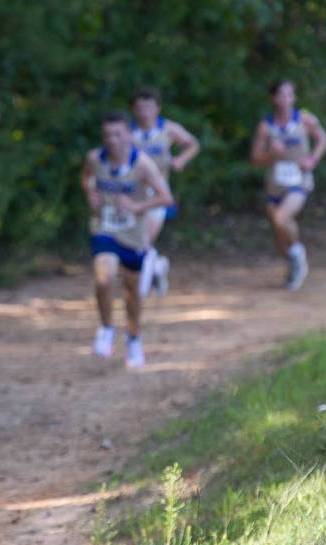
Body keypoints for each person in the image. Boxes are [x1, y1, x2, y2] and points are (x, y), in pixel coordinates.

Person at [81, 111, 173, 369]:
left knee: (132, 293)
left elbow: (166, 198)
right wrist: (90, 195)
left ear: (129, 135)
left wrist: (136, 206)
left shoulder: (142, 164)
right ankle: (106, 329)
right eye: (108, 134)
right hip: (104, 229)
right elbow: (86, 178)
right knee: (104, 276)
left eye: (118, 134)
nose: (113, 140)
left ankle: (134, 339)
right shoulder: (94, 158)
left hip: (134, 235)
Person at [250, 79, 326, 291]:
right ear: (274, 98)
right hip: (274, 185)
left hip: (299, 181)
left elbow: (323, 139)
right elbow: (255, 158)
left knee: (281, 218)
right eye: (281, 95)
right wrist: (270, 154)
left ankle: (297, 254)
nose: (285, 100)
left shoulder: (305, 120)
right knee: (279, 232)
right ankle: (294, 262)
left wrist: (312, 160)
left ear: (294, 97)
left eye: (289, 95)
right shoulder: (266, 127)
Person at [130, 87, 201, 298]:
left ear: (157, 109)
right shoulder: (127, 132)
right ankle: (157, 267)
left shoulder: (168, 129)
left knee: (145, 239)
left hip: (158, 192)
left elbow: (192, 144)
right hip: (134, 193)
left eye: (149, 107)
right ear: (133, 110)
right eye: (140, 107)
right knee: (135, 240)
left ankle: (141, 286)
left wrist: (180, 160)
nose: (144, 112)